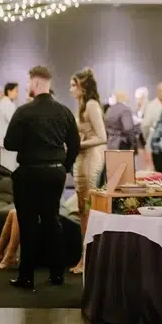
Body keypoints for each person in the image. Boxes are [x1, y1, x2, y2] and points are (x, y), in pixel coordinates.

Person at [4, 66, 80, 289]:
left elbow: (9, 143)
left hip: (29, 172)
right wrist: (64, 167)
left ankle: (26, 276)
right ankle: (57, 274)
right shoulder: (64, 111)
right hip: (55, 172)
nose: (27, 87)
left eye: (28, 83)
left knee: (27, 224)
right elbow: (74, 145)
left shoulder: (24, 112)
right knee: (52, 220)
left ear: (36, 83)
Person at [69, 68, 106, 274]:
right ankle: (84, 258)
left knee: (88, 211)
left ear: (83, 87)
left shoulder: (91, 105)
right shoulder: (82, 105)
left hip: (91, 158)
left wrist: (79, 144)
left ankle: (88, 259)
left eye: (74, 85)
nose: (71, 89)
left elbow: (102, 136)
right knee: (82, 210)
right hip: (82, 158)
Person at [0, 82, 19, 171]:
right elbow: (14, 122)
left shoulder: (2, 103)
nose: (17, 94)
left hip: (4, 140)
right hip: (8, 140)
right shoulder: (7, 104)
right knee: (10, 167)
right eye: (16, 91)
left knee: (6, 165)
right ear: (9, 91)